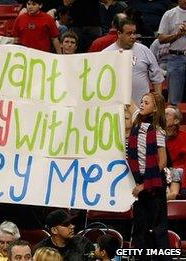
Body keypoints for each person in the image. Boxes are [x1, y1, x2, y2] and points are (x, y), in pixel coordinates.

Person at [127, 92, 170, 259]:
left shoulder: (158, 131)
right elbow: (127, 100)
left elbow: (163, 162)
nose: (142, 105)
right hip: (138, 182)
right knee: (140, 231)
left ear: (154, 109)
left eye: (146, 102)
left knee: (158, 231)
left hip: (153, 185)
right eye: (141, 101)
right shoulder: (138, 122)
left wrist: (145, 185)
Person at [103, 19, 164, 107]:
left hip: (142, 107)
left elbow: (157, 78)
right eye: (129, 33)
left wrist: (158, 104)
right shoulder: (106, 54)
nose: (133, 36)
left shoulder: (144, 50)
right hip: (115, 107)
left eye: (134, 33)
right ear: (119, 34)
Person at [157, 0, 186, 106]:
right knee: (174, 100)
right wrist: (178, 34)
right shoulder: (169, 14)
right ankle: (172, 122)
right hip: (176, 57)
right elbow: (161, 38)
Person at [165, 105, 186, 198]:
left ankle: (172, 195)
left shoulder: (184, 137)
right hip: (161, 170)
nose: (162, 116)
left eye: (166, 114)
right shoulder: (155, 135)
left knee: (175, 172)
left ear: (176, 121)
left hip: (178, 171)